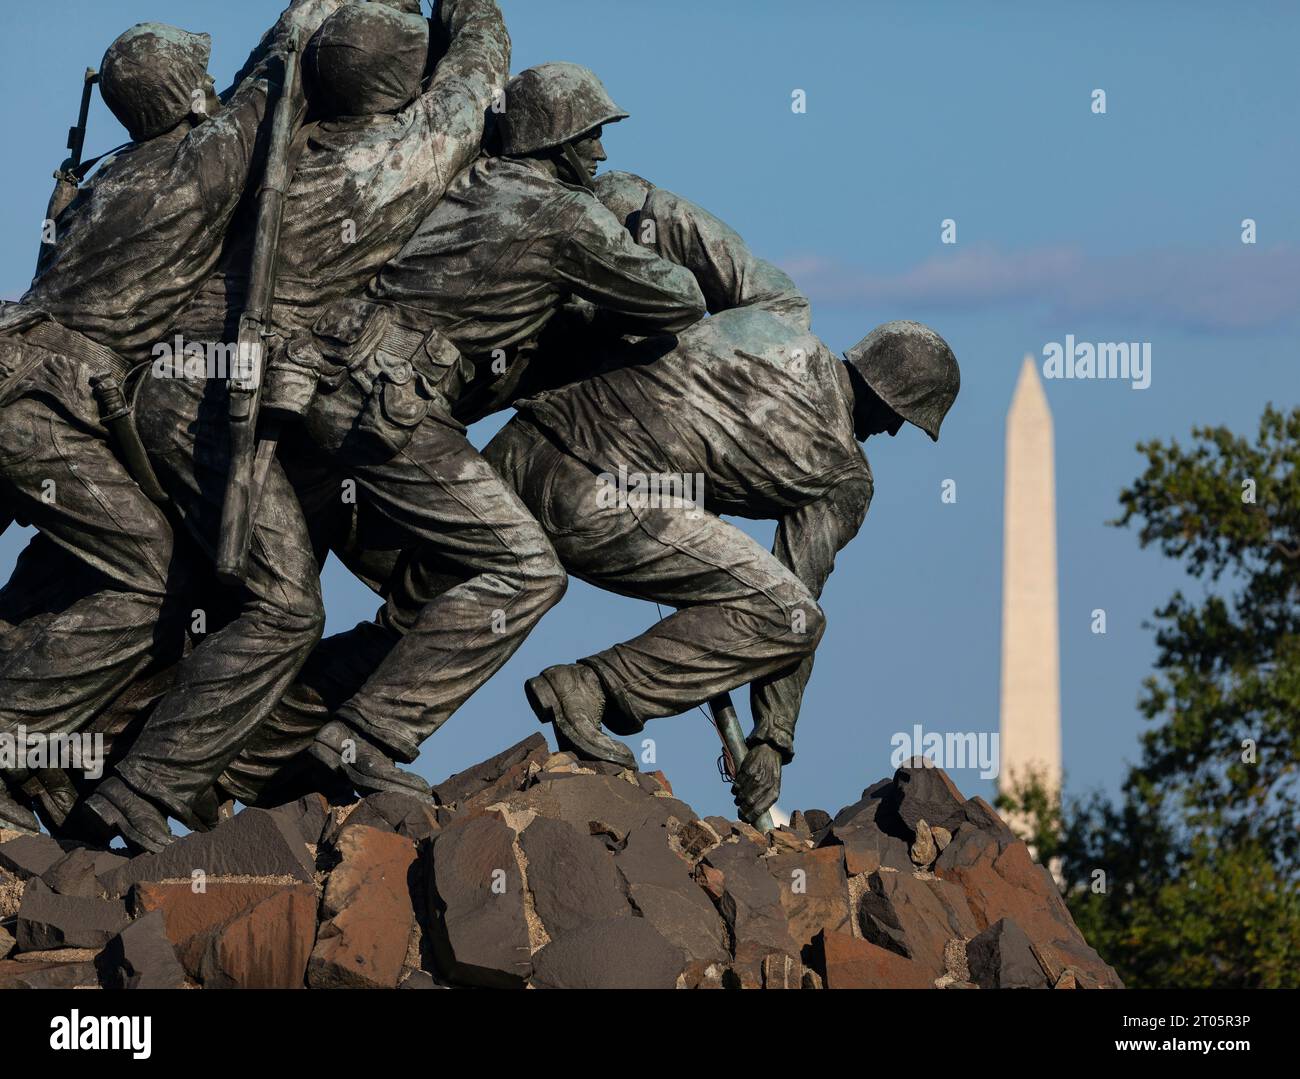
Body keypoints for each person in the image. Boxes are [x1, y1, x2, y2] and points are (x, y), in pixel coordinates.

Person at [0, 2, 342, 842]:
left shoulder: (111, 177)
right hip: (36, 404)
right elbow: (271, 80)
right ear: (187, 92)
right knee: (150, 573)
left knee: (81, 569)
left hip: (26, 379)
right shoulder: (196, 167)